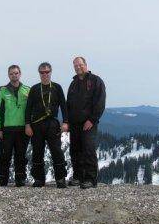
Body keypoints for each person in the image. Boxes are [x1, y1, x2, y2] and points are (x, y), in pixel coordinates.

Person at [25, 62, 68, 188]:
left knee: (57, 151)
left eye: (47, 72)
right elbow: (28, 108)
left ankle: (60, 179)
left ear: (51, 72)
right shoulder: (34, 89)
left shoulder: (57, 87)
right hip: (36, 124)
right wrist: (27, 124)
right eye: (42, 72)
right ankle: (39, 179)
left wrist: (65, 122)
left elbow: (63, 106)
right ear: (39, 73)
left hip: (52, 123)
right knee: (37, 152)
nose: (45, 74)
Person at [67, 57, 106, 189]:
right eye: (75, 65)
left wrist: (92, 119)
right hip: (74, 123)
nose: (78, 67)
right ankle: (78, 177)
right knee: (75, 150)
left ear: (86, 65)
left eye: (80, 65)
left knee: (88, 149)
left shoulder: (95, 81)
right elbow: (69, 104)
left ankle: (90, 179)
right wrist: (67, 121)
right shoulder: (73, 83)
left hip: (89, 122)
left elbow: (100, 102)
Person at [0, 65, 30, 187]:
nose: (14, 75)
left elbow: (31, 109)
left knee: (21, 155)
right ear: (8, 75)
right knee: (4, 155)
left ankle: (20, 179)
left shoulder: (27, 90)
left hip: (22, 128)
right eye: (12, 73)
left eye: (16, 73)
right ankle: (2, 179)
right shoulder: (2, 90)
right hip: (7, 129)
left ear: (20, 74)